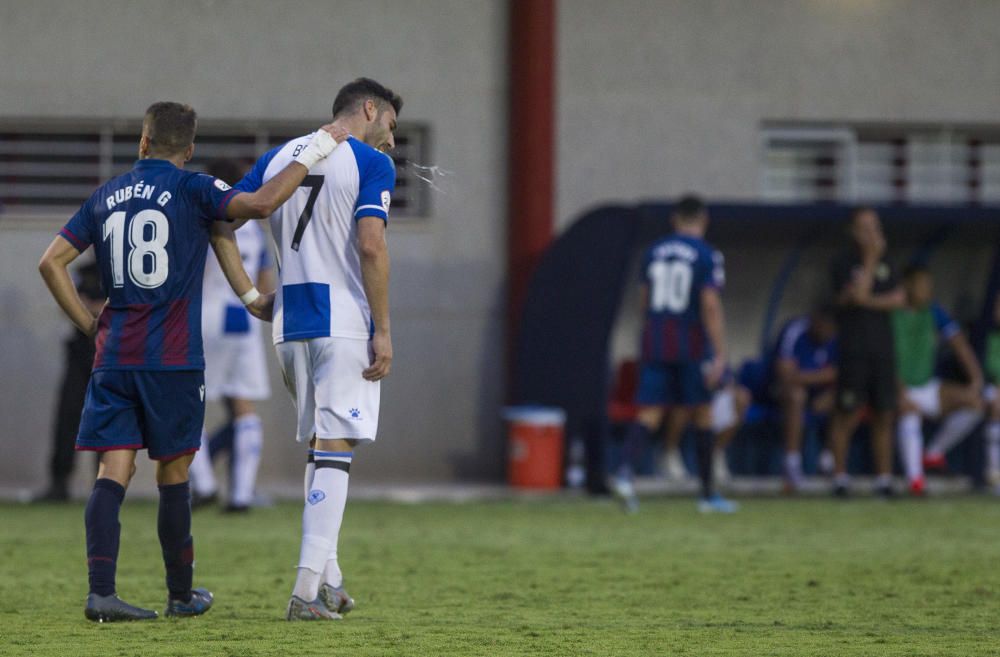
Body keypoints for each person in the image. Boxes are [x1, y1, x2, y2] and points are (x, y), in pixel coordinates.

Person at [37, 101, 347, 622]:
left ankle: (100, 593)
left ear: (142, 141)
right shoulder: (195, 188)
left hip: (114, 357)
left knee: (112, 470)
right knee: (174, 473)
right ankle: (180, 594)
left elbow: (51, 262)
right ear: (189, 149)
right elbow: (261, 204)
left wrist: (91, 326)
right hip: (173, 358)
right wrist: (317, 147)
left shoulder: (107, 194)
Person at [220, 78, 400, 620]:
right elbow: (371, 245)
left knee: (326, 448)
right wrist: (384, 329)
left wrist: (251, 294)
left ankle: (331, 579)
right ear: (370, 109)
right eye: (390, 125)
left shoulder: (280, 155)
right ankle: (302, 594)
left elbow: (222, 220)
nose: (391, 139)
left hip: (289, 320)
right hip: (341, 319)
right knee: (337, 447)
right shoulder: (369, 161)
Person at [619, 194, 736, 513]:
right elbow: (710, 305)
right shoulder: (707, 254)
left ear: (674, 220)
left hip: (656, 341)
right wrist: (721, 353)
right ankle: (708, 493)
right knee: (703, 412)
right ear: (703, 220)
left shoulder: (653, 252)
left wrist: (646, 337)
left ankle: (625, 474)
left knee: (650, 411)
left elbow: (644, 302)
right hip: (691, 343)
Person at [188, 159, 276, 512]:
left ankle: (205, 485)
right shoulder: (255, 227)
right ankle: (241, 495)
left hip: (206, 315)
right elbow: (266, 283)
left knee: (189, 403)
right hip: (244, 317)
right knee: (243, 407)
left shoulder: (206, 220)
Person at [827, 207, 905, 497]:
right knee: (847, 413)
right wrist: (870, 260)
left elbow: (898, 299)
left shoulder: (890, 263)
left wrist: (868, 299)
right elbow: (854, 296)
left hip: (882, 350)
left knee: (884, 413)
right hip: (854, 350)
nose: (872, 233)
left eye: (875, 226)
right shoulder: (843, 262)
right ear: (853, 231)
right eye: (865, 227)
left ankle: (884, 479)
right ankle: (839, 478)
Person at [893, 265, 983, 495]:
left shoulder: (933, 311)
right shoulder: (891, 312)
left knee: (975, 403)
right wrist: (899, 392)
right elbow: (883, 360)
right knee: (909, 413)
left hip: (927, 386)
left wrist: (976, 378)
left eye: (929, 286)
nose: (927, 291)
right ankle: (915, 481)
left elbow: (959, 344)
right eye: (922, 285)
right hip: (895, 388)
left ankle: (933, 454)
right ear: (907, 286)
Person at [34, 261, 103, 502]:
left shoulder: (122, 267)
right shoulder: (83, 271)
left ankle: (105, 484)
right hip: (81, 352)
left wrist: (87, 307)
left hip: (108, 354)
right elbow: (65, 302)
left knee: (106, 420)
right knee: (67, 417)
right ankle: (59, 482)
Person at [772, 304, 838, 492]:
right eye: (823, 325)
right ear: (814, 320)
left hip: (820, 396)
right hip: (782, 393)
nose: (827, 331)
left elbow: (843, 374)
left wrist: (814, 379)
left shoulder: (836, 337)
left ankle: (829, 461)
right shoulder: (795, 331)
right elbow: (786, 375)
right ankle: (792, 464)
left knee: (845, 397)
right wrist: (824, 375)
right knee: (797, 396)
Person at [981, 294, 1000, 490]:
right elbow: (993, 369)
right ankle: (994, 473)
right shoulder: (994, 337)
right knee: (996, 403)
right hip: (994, 388)